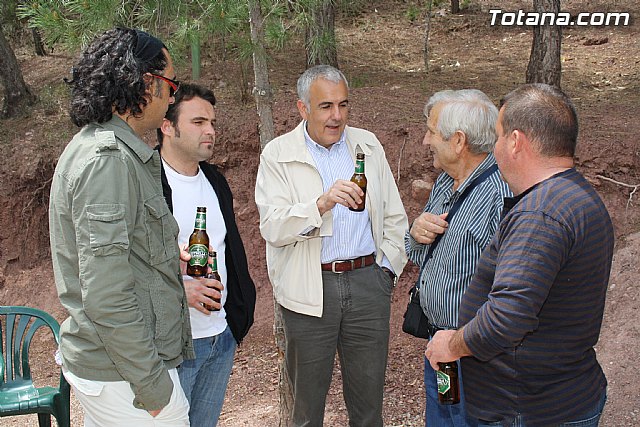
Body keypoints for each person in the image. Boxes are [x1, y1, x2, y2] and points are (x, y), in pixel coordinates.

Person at [425, 83, 614, 426]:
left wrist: (452, 345)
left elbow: (506, 318)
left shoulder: (539, 215)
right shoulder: (578, 197)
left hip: (528, 409)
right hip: (563, 397)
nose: (494, 147)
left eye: (498, 136)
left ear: (515, 142)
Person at [49, 28, 193, 426]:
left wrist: (164, 257)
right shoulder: (107, 161)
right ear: (145, 83)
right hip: (126, 378)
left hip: (120, 370)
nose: (172, 98)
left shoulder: (107, 151)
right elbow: (106, 295)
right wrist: (152, 386)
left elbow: (119, 257)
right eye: (170, 85)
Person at [255, 64, 408, 426]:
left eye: (343, 104)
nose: (336, 116)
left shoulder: (367, 145)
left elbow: (395, 217)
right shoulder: (278, 154)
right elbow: (273, 226)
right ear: (303, 108)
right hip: (309, 289)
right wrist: (320, 205)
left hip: (367, 282)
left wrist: (386, 271)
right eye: (325, 106)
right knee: (307, 411)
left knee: (368, 409)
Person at [405, 89, 511, 426]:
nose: (426, 141)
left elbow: (511, 287)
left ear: (459, 141)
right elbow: (418, 253)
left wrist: (463, 340)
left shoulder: (501, 194)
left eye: (432, 132)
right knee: (444, 418)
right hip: (440, 348)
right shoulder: (444, 182)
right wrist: (415, 233)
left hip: (476, 356)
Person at [157, 83, 257, 426]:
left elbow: (230, 252)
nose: (210, 131)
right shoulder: (146, 183)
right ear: (167, 126)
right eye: (198, 122)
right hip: (172, 347)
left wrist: (234, 320)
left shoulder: (215, 180)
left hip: (219, 337)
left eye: (212, 122)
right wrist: (177, 289)